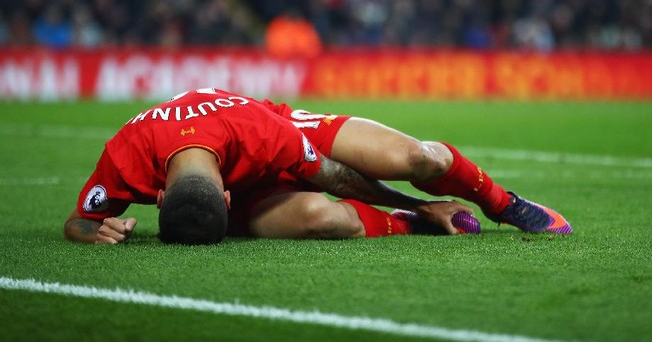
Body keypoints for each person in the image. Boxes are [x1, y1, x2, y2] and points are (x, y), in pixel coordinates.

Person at [64, 88, 571, 245]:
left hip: (287, 134)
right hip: (252, 176)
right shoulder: (126, 156)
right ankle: (412, 225)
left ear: (157, 196)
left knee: (420, 157)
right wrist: (91, 232)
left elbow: (337, 177)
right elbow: (78, 220)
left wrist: (423, 199)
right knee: (324, 217)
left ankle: (503, 203)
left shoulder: (262, 131)